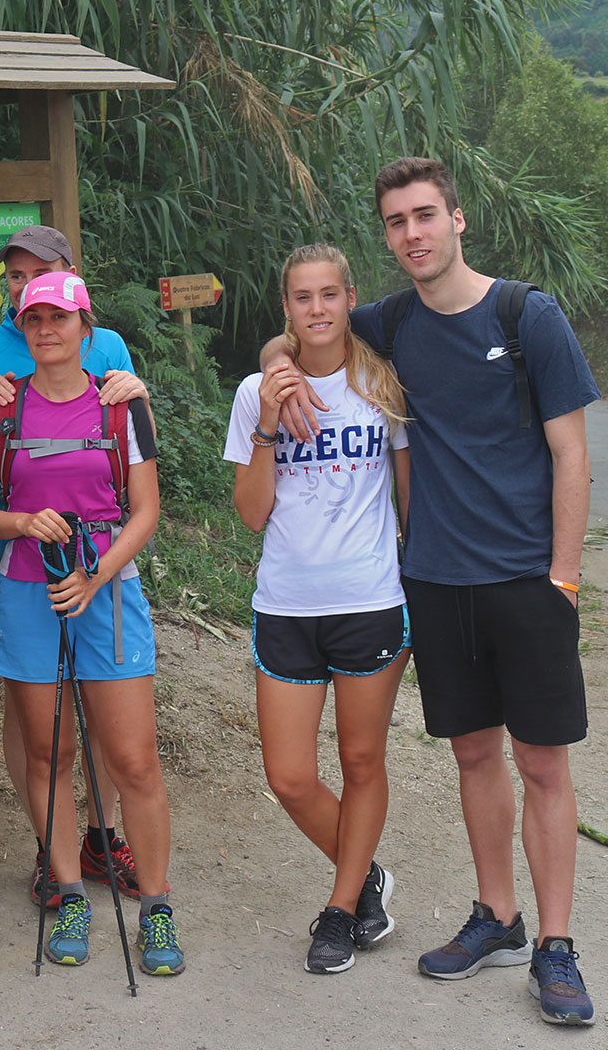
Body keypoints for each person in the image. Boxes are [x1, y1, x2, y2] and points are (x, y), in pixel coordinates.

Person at [268, 157, 599, 1024]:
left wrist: (563, 577)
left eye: (424, 215)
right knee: (473, 756)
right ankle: (497, 916)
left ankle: (556, 946)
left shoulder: (527, 315)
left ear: (457, 219)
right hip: (436, 581)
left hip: (529, 578)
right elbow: (305, 328)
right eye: (395, 223)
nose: (411, 234)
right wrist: (280, 366)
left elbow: (572, 452)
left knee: (543, 764)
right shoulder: (394, 322)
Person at [0, 271, 184, 976]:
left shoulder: (120, 407)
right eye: (35, 319)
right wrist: (23, 521)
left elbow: (145, 510)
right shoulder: (3, 409)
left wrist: (96, 575)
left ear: (87, 326)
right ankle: (68, 891)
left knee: (134, 760)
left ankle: (156, 906)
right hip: (27, 592)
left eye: (60, 317)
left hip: (106, 592)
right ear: (22, 329)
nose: (47, 330)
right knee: (47, 757)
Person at [0, 224, 149, 909]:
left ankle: (105, 837)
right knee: (41, 733)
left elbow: (132, 466)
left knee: (113, 726)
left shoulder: (112, 350)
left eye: (48, 294)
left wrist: (136, 395)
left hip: (102, 568)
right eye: (16, 281)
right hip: (16, 563)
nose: (37, 316)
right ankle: (52, 853)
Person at [227, 244, 410, 976]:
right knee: (290, 776)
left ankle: (341, 909)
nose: (318, 309)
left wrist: (418, 585)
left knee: (362, 760)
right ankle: (366, 875)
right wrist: (269, 421)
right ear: (287, 309)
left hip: (369, 598)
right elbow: (249, 513)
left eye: (330, 294)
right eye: (303, 298)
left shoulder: (383, 383)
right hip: (287, 604)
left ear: (350, 298)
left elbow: (409, 493)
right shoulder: (256, 392)